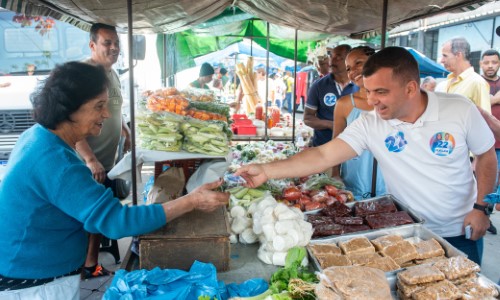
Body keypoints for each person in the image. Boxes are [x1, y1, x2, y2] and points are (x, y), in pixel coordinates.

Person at [235, 47, 496, 266]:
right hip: (404, 231)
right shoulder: (371, 123)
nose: (371, 100)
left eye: (380, 92)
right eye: (368, 91)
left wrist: (481, 208)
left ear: (410, 88)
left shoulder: (458, 109)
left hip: (461, 228)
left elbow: (486, 156)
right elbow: (324, 154)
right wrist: (267, 170)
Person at [0, 61, 229, 299]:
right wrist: (191, 201)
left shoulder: (38, 136)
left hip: (30, 271)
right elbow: (117, 222)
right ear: (69, 109)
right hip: (34, 284)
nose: (107, 114)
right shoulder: (55, 161)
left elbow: (90, 214)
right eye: (99, 106)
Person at [76, 23, 131, 279]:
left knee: (98, 212)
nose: (114, 48)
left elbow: (114, 110)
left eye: (116, 43)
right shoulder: (85, 75)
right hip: (87, 162)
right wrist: (90, 159)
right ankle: (85, 265)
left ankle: (91, 263)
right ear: (92, 45)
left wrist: (125, 131)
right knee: (89, 214)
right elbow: (70, 122)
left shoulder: (112, 73)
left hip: (107, 159)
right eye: (107, 43)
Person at [332, 46, 386, 200]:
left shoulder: (390, 103)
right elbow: (336, 142)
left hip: (387, 180)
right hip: (354, 179)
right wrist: (335, 175)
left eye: (358, 63)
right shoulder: (344, 104)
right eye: (348, 68)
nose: (353, 71)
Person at [303, 44, 357, 147]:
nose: (332, 60)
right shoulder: (318, 86)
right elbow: (308, 118)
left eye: (338, 57)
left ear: (349, 60)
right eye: (331, 56)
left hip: (352, 148)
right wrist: (331, 125)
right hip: (323, 147)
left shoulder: (360, 85)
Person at [438, 37, 491, 112]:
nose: (442, 60)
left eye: (445, 56)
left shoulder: (477, 83)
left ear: (459, 55)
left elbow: (486, 119)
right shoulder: (445, 83)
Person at [480, 49, 500, 235]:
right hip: (481, 144)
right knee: (483, 181)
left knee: (495, 183)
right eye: (487, 62)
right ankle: (482, 212)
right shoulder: (477, 83)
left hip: (499, 143)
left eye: (494, 62)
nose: (490, 66)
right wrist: (495, 99)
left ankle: (488, 213)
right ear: (481, 64)